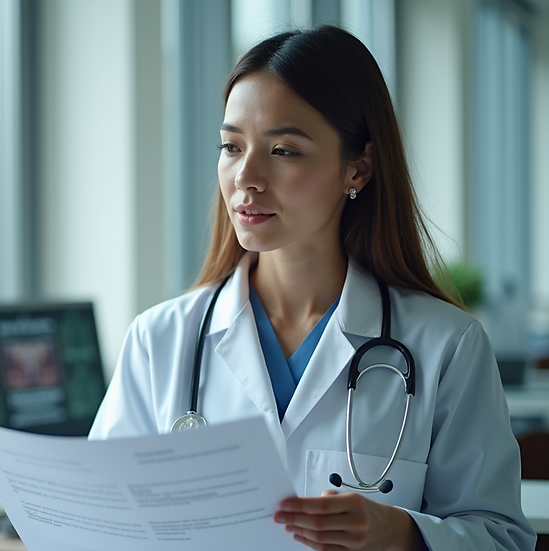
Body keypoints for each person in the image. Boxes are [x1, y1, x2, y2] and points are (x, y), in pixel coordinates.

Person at [89, 26, 536, 551]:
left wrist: (402, 534)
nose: (246, 177)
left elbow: (502, 538)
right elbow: (100, 520)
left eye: (283, 150)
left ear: (359, 168)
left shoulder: (446, 346)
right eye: (231, 146)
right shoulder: (160, 339)